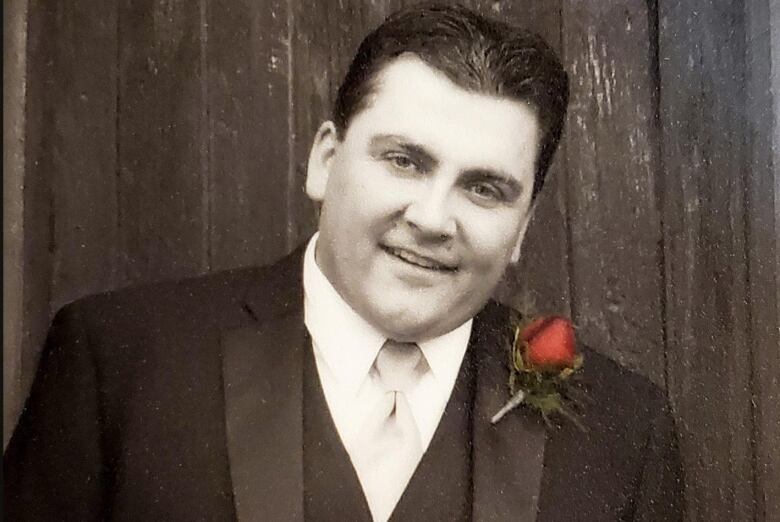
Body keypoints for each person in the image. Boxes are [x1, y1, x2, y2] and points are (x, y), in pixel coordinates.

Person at [4, 3, 684, 521]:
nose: (430, 218)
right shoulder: (119, 361)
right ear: (326, 161)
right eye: (403, 160)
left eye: (484, 188)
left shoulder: (624, 429)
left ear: (522, 228)